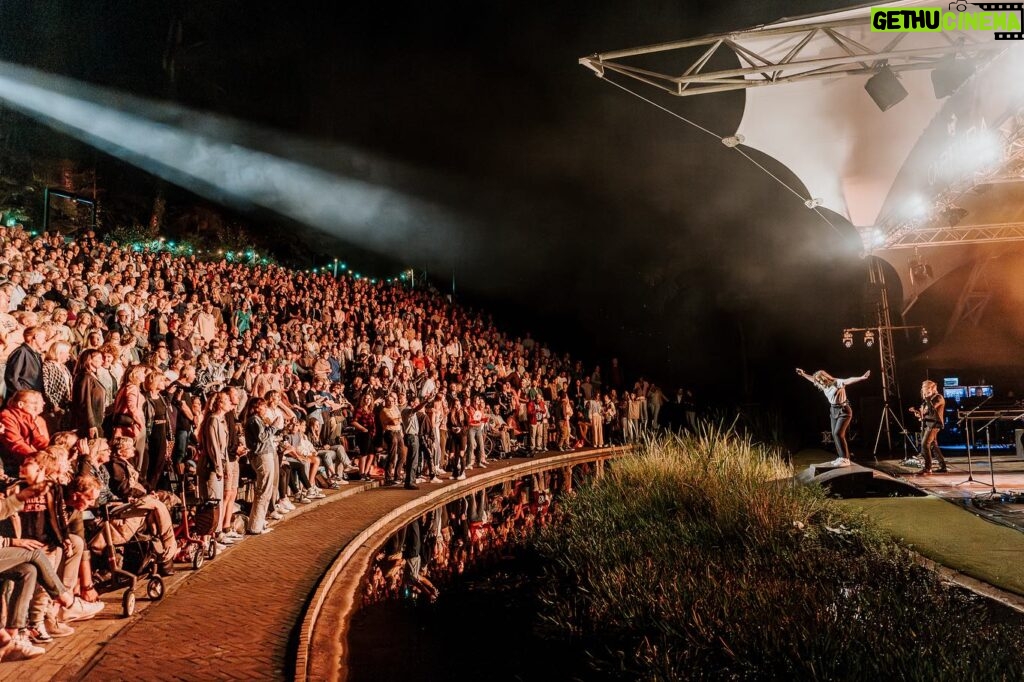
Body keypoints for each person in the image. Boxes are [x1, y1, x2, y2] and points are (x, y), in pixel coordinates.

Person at [795, 367, 871, 466]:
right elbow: (813, 379)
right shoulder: (822, 384)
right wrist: (803, 374)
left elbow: (848, 380)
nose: (819, 383)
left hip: (843, 411)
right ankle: (840, 457)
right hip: (833, 410)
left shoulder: (836, 382)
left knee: (838, 433)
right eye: (818, 381)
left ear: (825, 378)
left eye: (820, 381)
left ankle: (845, 459)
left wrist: (861, 378)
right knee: (835, 435)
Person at [909, 380, 947, 475]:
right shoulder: (928, 399)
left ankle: (927, 468)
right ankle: (943, 466)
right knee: (933, 445)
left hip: (935, 424)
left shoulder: (938, 397)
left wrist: (927, 398)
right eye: (923, 388)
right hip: (930, 424)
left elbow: (933, 410)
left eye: (925, 388)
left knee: (925, 444)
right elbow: (927, 414)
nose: (923, 390)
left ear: (931, 388)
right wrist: (918, 413)